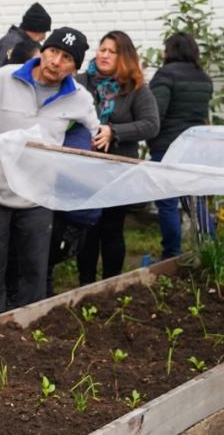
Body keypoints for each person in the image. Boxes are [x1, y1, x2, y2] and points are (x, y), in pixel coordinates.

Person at [0, 27, 100, 313]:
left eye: (66, 58)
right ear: (42, 51)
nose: (56, 62)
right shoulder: (3, 79)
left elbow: (95, 133)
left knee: (33, 267)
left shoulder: (80, 98)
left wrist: (108, 133)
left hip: (38, 197)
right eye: (52, 52)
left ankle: (28, 326)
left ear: (75, 67)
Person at [74, 31, 159, 284]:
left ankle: (111, 285)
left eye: (112, 51)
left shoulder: (135, 89)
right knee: (87, 229)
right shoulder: (80, 83)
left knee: (111, 229)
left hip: (117, 170)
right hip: (82, 168)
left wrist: (115, 131)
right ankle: (84, 285)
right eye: (102, 49)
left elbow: (151, 125)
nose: (104, 55)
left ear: (125, 58)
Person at [148, 33, 215, 258]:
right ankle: (209, 248)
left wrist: (152, 140)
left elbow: (156, 113)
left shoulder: (166, 75)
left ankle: (171, 253)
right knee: (195, 199)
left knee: (167, 203)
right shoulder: (204, 79)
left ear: (170, 52)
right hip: (195, 148)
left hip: (168, 147)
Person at [0, 3, 51, 69]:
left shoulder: (32, 44)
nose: (44, 37)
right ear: (36, 29)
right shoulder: (11, 43)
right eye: (44, 32)